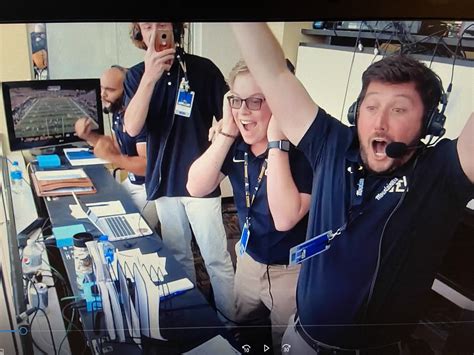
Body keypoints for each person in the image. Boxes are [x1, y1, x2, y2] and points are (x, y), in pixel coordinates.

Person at [231, 23, 474, 354]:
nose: (380, 121)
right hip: (299, 338)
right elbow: (273, 73)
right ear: (356, 113)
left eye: (399, 109)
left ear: (428, 123)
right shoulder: (331, 144)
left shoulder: (442, 172)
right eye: (371, 107)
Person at [187, 59, 312, 351]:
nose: (243, 110)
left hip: (291, 272)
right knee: (246, 334)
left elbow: (285, 218)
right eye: (236, 100)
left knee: (286, 343)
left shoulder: (305, 150)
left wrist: (276, 144)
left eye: (256, 100)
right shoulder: (236, 142)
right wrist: (227, 132)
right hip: (248, 261)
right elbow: (196, 186)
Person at [123, 22, 236, 324]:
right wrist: (150, 76)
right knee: (178, 256)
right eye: (147, 26)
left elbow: (231, 119)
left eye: (162, 24)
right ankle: (194, 319)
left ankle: (231, 324)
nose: (156, 32)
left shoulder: (203, 69)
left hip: (201, 183)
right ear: (139, 34)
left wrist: (221, 169)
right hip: (163, 182)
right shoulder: (136, 76)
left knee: (216, 259)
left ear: (174, 28)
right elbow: (132, 128)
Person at [74, 65, 159, 229]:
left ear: (127, 92)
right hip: (133, 182)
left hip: (149, 188)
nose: (102, 95)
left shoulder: (140, 120)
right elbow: (116, 145)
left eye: (110, 90)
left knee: (126, 229)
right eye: (101, 88)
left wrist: (113, 158)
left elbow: (147, 166)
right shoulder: (118, 112)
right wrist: (89, 136)